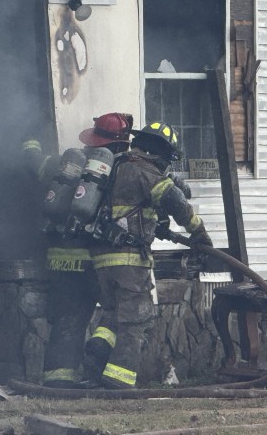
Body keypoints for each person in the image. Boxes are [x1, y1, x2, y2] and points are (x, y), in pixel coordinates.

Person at [82, 121, 212, 389]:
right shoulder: (144, 171)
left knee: (113, 313)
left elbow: (132, 211)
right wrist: (198, 231)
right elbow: (175, 200)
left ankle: (99, 346)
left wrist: (157, 227)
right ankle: (120, 380)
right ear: (160, 152)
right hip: (128, 259)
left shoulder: (116, 166)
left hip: (101, 258)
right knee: (135, 318)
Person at [22, 112, 133, 388]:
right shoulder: (124, 170)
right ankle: (99, 344)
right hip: (99, 260)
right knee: (121, 310)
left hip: (60, 260)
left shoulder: (66, 165)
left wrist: (29, 140)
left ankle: (58, 380)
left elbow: (33, 164)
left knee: (68, 319)